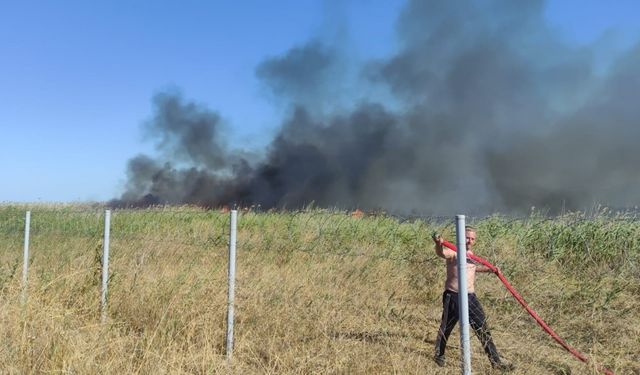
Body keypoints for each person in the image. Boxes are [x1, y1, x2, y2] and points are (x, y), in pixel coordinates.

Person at [433, 226, 514, 371]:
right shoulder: (453, 251)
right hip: (454, 296)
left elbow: (471, 268)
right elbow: (441, 254)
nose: (469, 241)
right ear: (460, 237)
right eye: (467, 237)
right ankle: (439, 354)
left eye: (472, 238)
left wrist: (489, 269)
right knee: (447, 327)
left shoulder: (470, 253)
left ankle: (496, 362)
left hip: (470, 296)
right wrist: (438, 244)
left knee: (482, 328)